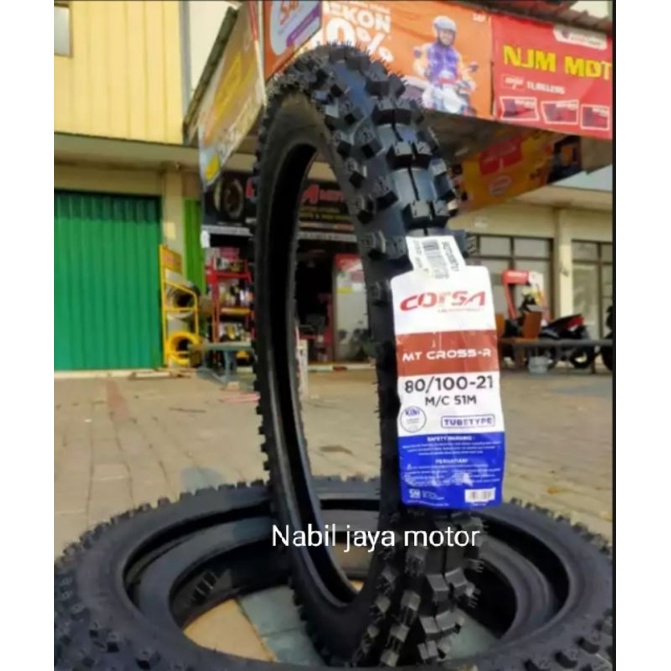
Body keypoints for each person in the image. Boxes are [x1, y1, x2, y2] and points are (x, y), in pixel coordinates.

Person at [413, 16, 477, 113]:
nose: (447, 36)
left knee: (464, 106)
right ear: (437, 32)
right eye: (444, 32)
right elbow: (418, 64)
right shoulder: (428, 48)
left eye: (450, 33)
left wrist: (469, 82)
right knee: (426, 101)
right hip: (433, 86)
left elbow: (463, 71)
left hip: (452, 89)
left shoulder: (456, 55)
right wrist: (424, 72)